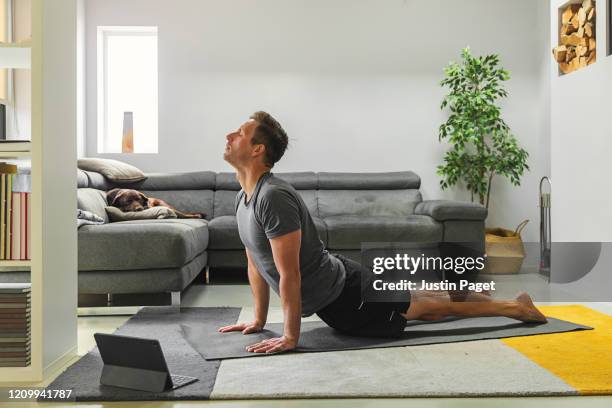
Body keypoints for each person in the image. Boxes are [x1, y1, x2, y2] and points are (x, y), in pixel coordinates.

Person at [218, 111, 547, 354]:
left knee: (425, 309)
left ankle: (515, 309)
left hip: (343, 296)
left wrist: (290, 337)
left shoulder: (273, 197)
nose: (229, 136)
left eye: (239, 133)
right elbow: (256, 263)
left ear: (258, 149)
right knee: (418, 298)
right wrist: (259, 320)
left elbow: (289, 275)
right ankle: (495, 299)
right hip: (341, 281)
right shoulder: (244, 198)